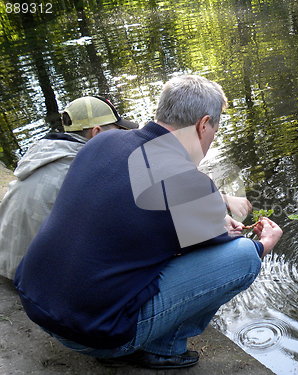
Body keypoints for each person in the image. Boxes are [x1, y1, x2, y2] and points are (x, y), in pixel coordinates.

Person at [14, 75, 283, 369]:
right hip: (95, 335)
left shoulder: (102, 141)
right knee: (244, 256)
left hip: (36, 302)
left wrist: (214, 220)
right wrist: (263, 245)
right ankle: (164, 348)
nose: (212, 138)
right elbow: (221, 255)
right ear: (203, 125)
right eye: (215, 130)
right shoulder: (188, 182)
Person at [0, 96, 138, 280]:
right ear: (96, 133)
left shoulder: (44, 154)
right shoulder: (85, 172)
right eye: (118, 129)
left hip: (6, 263)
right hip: (32, 279)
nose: (123, 135)